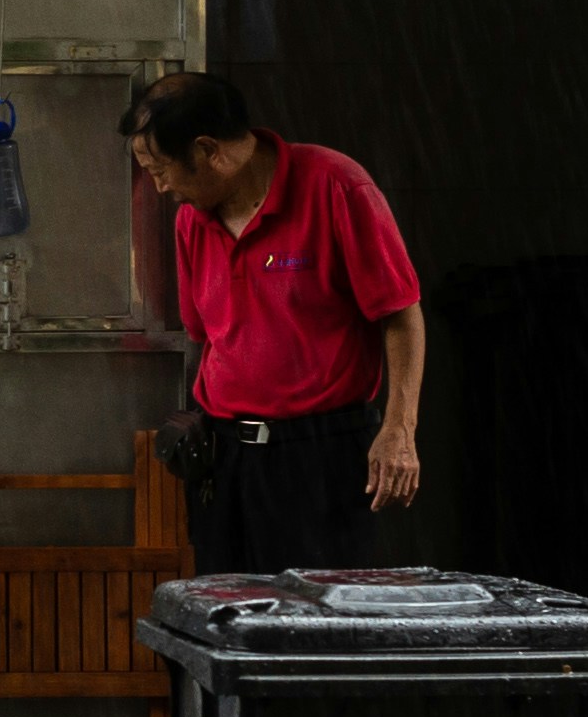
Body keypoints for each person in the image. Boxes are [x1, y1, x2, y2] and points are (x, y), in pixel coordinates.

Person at [130, 72, 425, 574]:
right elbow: (207, 337)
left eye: (161, 170)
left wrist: (400, 429)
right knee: (223, 617)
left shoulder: (336, 186)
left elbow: (401, 315)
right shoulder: (191, 221)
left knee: (316, 625)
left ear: (208, 151)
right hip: (225, 459)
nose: (160, 188)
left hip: (319, 456)